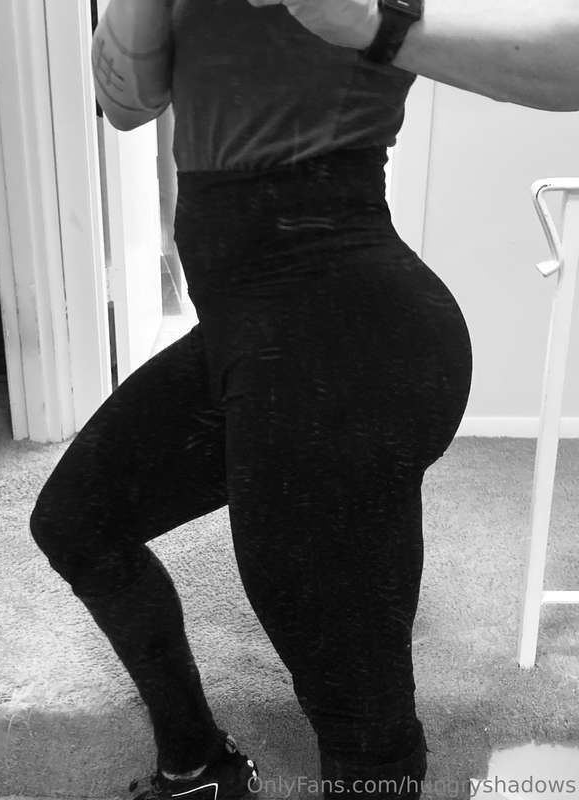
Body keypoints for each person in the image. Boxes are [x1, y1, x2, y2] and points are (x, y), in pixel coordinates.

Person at [29, 1, 576, 799]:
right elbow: (125, 105)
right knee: (78, 522)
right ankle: (199, 766)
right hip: (246, 330)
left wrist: (372, 25)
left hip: (345, 334)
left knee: (358, 714)